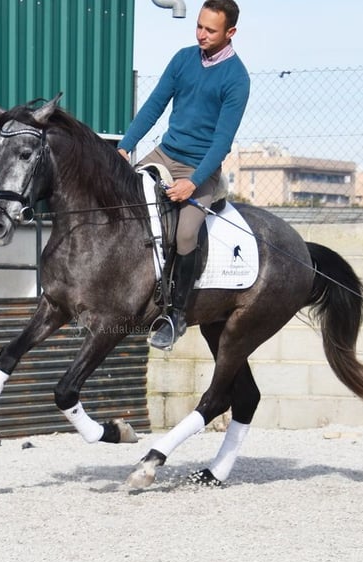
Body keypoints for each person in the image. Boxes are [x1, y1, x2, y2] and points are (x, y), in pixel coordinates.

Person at [117, 0, 250, 350]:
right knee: (121, 199)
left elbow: (222, 141)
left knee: (185, 234)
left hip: (200, 167)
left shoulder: (237, 78)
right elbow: (154, 105)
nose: (201, 34)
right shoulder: (182, 58)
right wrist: (125, 146)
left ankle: (175, 315)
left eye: (211, 30)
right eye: (199, 26)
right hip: (164, 153)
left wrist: (193, 182)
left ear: (230, 33)